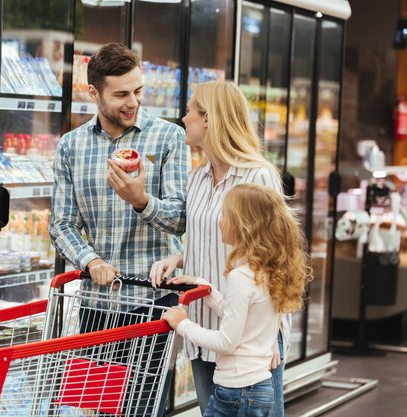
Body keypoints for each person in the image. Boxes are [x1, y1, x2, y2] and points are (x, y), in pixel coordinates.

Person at [49, 43, 189, 416]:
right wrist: (89, 260)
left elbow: (181, 217)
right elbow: (61, 224)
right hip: (96, 306)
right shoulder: (70, 147)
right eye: (122, 94)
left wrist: (141, 200)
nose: (133, 102)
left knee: (143, 409)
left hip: (154, 306)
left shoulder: (168, 138)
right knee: (92, 408)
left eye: (138, 91)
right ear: (93, 92)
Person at [149, 80, 290, 416]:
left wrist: (271, 337)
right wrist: (181, 255)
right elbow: (212, 236)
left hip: (250, 335)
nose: (183, 118)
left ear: (209, 119)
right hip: (204, 326)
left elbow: (276, 255)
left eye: (190, 111)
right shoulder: (196, 178)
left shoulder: (258, 176)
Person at [162, 183, 311, 417]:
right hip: (258, 387)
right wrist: (207, 288)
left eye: (225, 215)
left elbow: (227, 341)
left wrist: (183, 325)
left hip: (235, 392)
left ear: (244, 225)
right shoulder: (266, 271)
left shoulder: (241, 277)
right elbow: (242, 318)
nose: (219, 220)